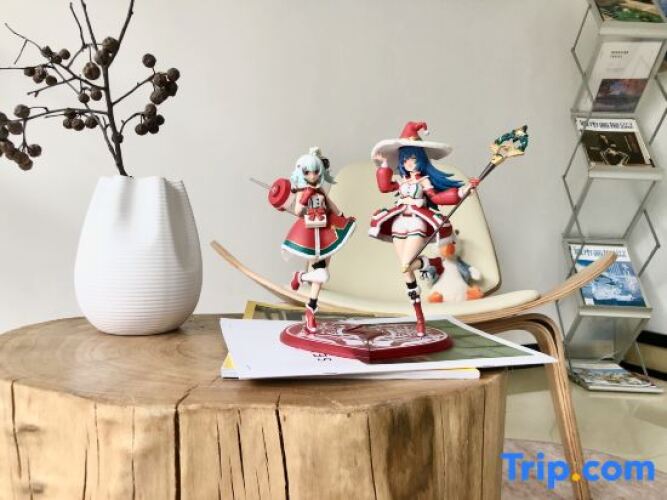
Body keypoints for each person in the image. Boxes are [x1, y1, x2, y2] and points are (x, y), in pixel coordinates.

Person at [368, 121, 479, 334]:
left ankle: (432, 263)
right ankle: (419, 317)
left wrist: (462, 191)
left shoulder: (425, 181)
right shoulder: (401, 181)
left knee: (406, 265)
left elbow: (437, 198)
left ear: (420, 159)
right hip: (398, 223)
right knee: (405, 271)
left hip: (417, 223)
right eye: (405, 159)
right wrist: (384, 165)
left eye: (412, 158)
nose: (409, 162)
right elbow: (384, 187)